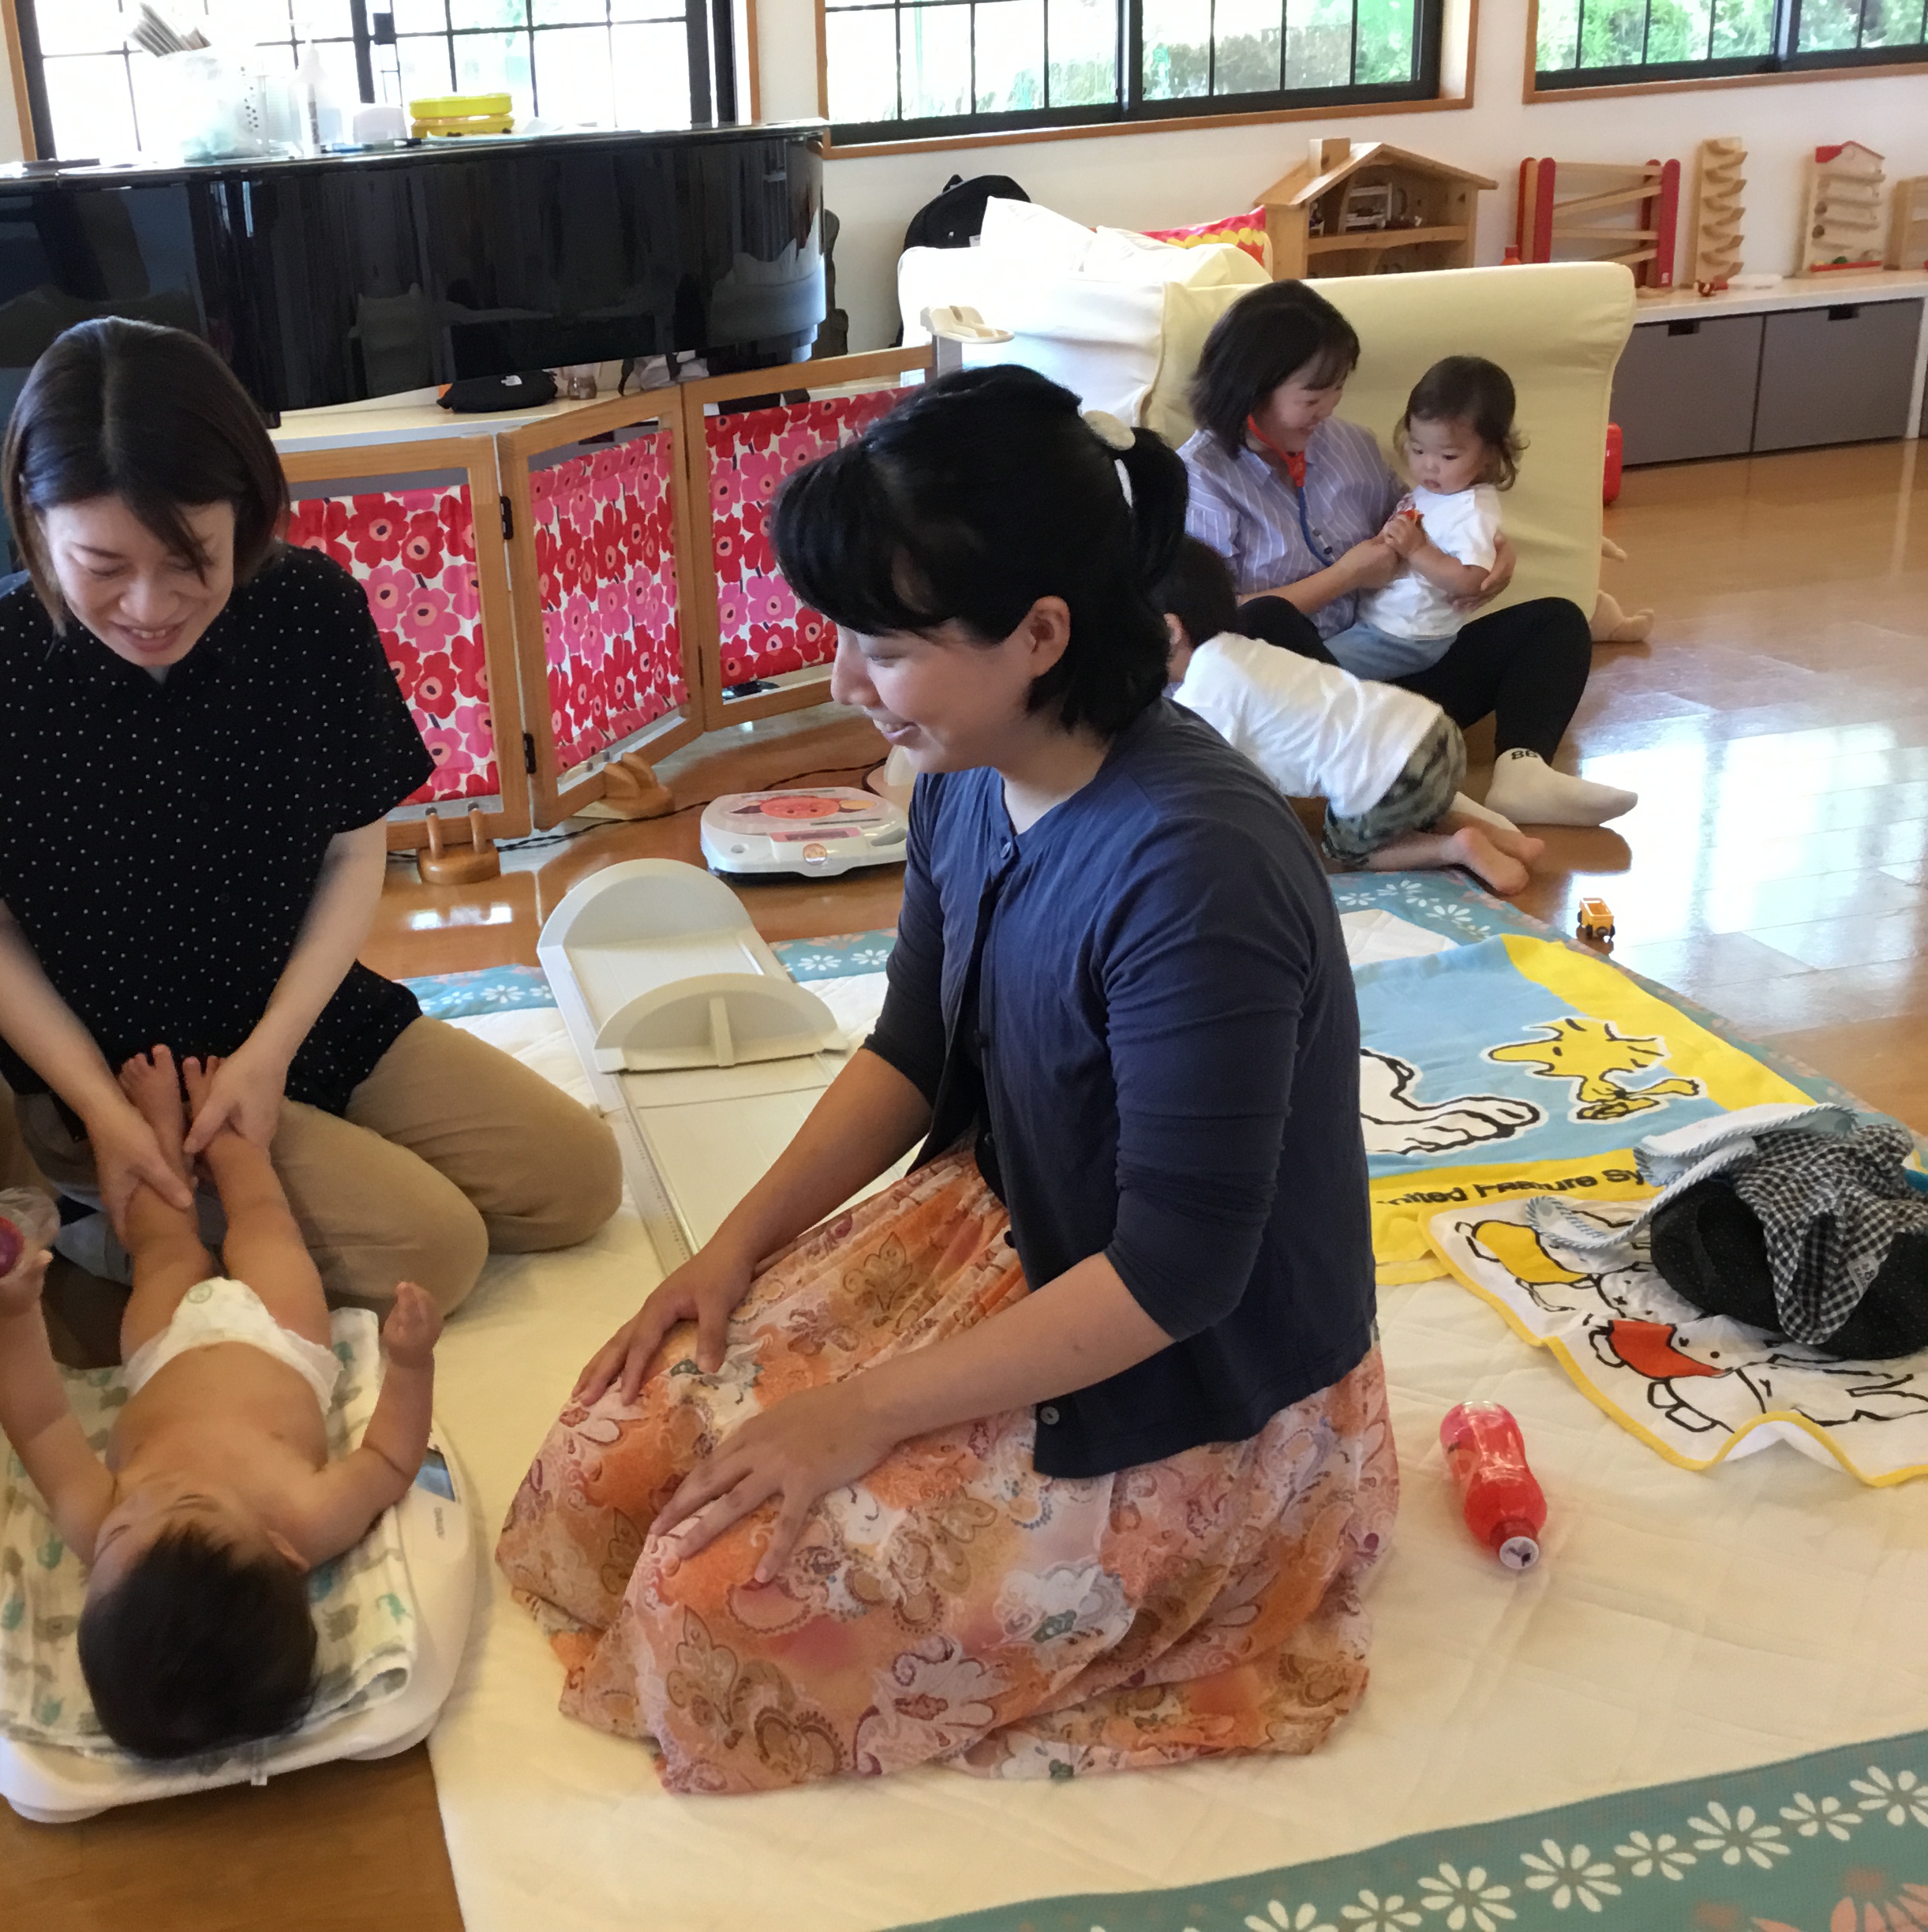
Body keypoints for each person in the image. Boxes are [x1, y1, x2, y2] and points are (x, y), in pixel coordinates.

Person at [493, 368, 1397, 1795]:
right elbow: (911, 1051)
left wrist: (862, 1410)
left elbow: (1176, 1275)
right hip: (1014, 1227)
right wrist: (732, 1248)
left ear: (1040, 634)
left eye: (883, 647)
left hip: (1184, 1371)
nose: (841, 685)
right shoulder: (966, 773)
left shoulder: (1195, 871)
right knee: (601, 1469)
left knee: (715, 1607)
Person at [0, 318, 619, 1313]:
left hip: (297, 1016)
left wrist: (270, 1052)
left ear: (248, 514)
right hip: (124, 1072)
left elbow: (352, 851)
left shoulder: (307, 612)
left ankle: (211, 1198)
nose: (150, 605)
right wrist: (101, 1109)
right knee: (435, 1252)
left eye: (192, 558)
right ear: (34, 523)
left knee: (577, 1183)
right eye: (103, 566)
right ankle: (107, 1213)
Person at [0, 1046, 443, 1759]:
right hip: (282, 1338)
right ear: (284, 1554)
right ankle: (225, 1135)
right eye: (193, 1505)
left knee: (163, 1244)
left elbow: (38, 1423)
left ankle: (159, 1131)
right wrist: (410, 1363)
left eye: (120, 1535)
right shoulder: (309, 1518)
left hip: (163, 1347)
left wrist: (11, 1314)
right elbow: (388, 1459)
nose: (151, 1500)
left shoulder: (94, 1520)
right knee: (263, 1221)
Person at [1179, 282, 1634, 829]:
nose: (1328, 408)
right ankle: (1400, 778)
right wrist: (1345, 576)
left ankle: (1523, 772)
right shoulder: (1200, 479)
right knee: (1265, 618)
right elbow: (1210, 630)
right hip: (1297, 704)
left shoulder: (1347, 446)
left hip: (1389, 663)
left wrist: (1490, 555)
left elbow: (1420, 522)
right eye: (1313, 396)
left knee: (1558, 620)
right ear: (1252, 387)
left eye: (1337, 389)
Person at [1157, 537, 1548, 894]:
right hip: (1434, 730)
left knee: (1346, 847)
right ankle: (1508, 841)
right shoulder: (1246, 648)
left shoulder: (1203, 694)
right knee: (1407, 808)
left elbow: (1197, 787)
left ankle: (1456, 849)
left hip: (1389, 774)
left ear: (1170, 630)